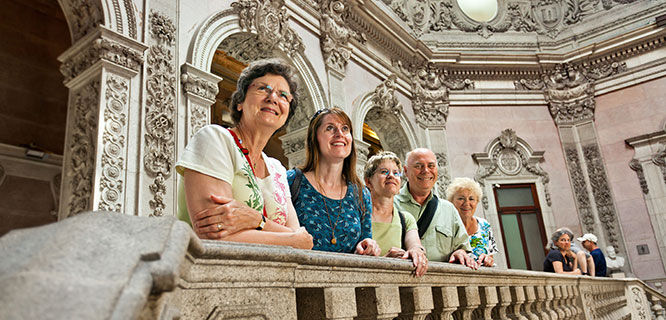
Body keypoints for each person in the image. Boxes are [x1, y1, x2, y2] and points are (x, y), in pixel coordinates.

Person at [175, 59, 313, 249]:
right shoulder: (215, 139)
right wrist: (292, 239)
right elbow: (216, 234)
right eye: (263, 88)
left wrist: (255, 219)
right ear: (240, 102)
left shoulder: (277, 168)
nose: (273, 97)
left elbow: (302, 239)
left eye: (283, 95)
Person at [287, 108, 379, 255]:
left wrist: (368, 245)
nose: (339, 134)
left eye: (345, 128)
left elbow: (365, 241)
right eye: (330, 128)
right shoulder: (291, 180)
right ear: (314, 138)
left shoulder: (361, 193)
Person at [394, 148, 477, 269]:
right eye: (419, 166)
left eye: (431, 166)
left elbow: (462, 248)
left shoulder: (449, 209)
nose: (426, 171)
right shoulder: (391, 204)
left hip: (441, 284)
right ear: (406, 171)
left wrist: (460, 252)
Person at [364, 151, 428, 276]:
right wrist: (385, 261)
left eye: (396, 173)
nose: (391, 176)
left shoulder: (406, 218)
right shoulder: (358, 215)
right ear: (368, 182)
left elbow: (415, 245)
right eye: (384, 172)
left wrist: (416, 252)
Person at [445, 177, 498, 267]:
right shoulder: (444, 226)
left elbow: (490, 257)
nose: (466, 203)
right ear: (451, 202)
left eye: (471, 199)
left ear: (477, 202)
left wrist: (488, 259)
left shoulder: (484, 225)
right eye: (461, 198)